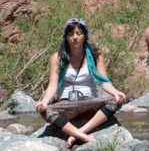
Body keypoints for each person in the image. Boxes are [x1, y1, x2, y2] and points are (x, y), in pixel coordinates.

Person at [35, 18, 127, 148]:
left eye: (79, 33)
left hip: (89, 102)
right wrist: (44, 102)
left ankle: (78, 133)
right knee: (45, 111)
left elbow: (104, 82)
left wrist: (116, 92)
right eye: (71, 34)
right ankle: (84, 137)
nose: (75, 37)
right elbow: (53, 85)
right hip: (66, 103)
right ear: (66, 37)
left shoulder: (96, 56)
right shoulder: (58, 57)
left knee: (117, 101)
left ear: (85, 36)